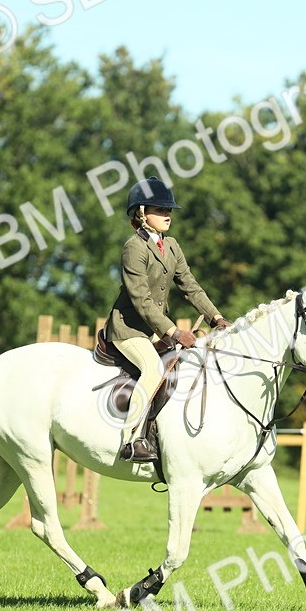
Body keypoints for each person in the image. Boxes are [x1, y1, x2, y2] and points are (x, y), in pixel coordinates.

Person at [105, 176, 232, 462]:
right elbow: (140, 299)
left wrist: (216, 317)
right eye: (160, 210)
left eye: (169, 210)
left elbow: (190, 285)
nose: (167, 215)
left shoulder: (172, 246)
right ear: (140, 213)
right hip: (129, 329)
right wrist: (174, 332)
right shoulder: (133, 248)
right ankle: (131, 440)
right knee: (152, 370)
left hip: (154, 331)